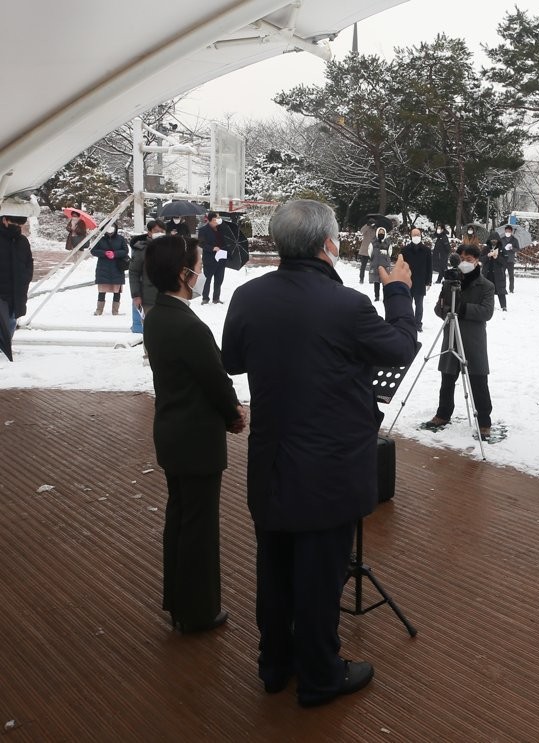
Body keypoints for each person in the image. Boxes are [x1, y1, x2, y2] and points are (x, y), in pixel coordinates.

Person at [221, 199, 417, 707]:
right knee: (318, 576)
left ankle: (274, 665)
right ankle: (320, 676)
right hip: (329, 468)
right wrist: (398, 292)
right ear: (328, 244)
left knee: (275, 568)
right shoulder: (346, 305)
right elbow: (398, 348)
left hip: (271, 463)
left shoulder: (248, 296)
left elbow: (233, 360)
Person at [143, 234, 246, 633]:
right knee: (200, 528)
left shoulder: (158, 316)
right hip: (196, 439)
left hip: (171, 431)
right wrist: (233, 414)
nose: (202, 272)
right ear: (184, 274)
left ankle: (180, 602)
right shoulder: (189, 326)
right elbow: (215, 381)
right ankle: (199, 610)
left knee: (181, 519)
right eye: (198, 266)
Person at [423, 243, 496, 437]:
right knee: (447, 379)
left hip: (473, 340)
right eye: (462, 259)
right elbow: (439, 308)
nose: (465, 263)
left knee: (478, 381)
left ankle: (484, 422)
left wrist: (461, 309)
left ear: (477, 261)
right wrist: (446, 310)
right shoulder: (449, 282)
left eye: (469, 260)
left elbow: (487, 312)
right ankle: (443, 414)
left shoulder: (486, 286)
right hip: (451, 337)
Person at [0, 214, 33, 353]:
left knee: (11, 321)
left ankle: (6, 346)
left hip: (16, 290)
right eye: (15, 223)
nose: (18, 227)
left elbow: (28, 263)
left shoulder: (22, 241)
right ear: (4, 220)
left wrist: (25, 278)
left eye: (20, 225)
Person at [196, 211, 241, 305]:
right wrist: (213, 248)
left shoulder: (222, 229)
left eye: (219, 217)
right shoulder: (203, 230)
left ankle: (216, 298)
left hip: (222, 257)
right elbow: (201, 243)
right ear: (210, 220)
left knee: (219, 279)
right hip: (210, 258)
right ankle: (205, 298)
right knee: (207, 279)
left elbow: (227, 241)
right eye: (216, 218)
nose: (218, 219)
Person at [91, 222, 129, 315]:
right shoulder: (100, 238)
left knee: (117, 290)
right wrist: (104, 253)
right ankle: (99, 310)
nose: (110, 229)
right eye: (108, 227)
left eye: (112, 226)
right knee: (102, 290)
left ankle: (115, 311)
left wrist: (115, 254)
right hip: (103, 267)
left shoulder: (120, 239)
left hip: (117, 267)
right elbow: (93, 250)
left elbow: (125, 250)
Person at [400, 227, 432, 331]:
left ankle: (418, 324)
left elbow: (429, 267)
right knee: (407, 304)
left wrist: (428, 281)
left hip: (420, 281)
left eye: (418, 235)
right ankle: (408, 323)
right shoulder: (405, 250)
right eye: (414, 235)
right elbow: (401, 265)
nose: (416, 237)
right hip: (407, 281)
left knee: (419, 305)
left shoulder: (426, 250)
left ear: (421, 236)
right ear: (411, 236)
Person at [482, 231, 508, 311]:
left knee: (501, 290)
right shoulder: (486, 248)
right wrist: (488, 256)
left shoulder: (502, 249)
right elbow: (480, 259)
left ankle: (503, 306)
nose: (493, 241)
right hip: (487, 273)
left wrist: (497, 258)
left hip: (498, 273)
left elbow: (505, 261)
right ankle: (488, 305)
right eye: (492, 239)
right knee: (487, 290)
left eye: (495, 239)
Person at [369, 226, 391, 302]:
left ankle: (386, 296)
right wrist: (374, 258)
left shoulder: (388, 242)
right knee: (376, 282)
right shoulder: (373, 242)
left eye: (382, 232)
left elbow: (390, 253)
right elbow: (369, 252)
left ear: (384, 233)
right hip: (375, 264)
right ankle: (377, 296)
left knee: (385, 282)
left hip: (385, 265)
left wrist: (385, 257)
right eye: (380, 232)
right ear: (377, 232)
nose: (381, 233)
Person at [499, 226, 520, 293]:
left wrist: (512, 248)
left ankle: (511, 289)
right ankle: (502, 288)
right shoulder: (502, 239)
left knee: (511, 276)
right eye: (506, 231)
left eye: (509, 231)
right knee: (502, 275)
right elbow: (498, 248)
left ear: (511, 232)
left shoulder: (514, 240)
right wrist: (502, 250)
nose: (507, 232)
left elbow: (518, 249)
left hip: (510, 260)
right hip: (503, 260)